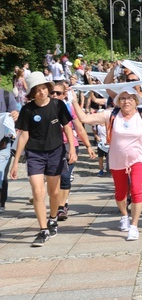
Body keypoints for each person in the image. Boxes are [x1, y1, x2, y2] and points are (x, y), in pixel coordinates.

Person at [72, 84, 142, 240]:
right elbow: (84, 119)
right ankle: (124, 216)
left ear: (136, 101)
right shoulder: (110, 115)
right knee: (120, 192)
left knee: (137, 188)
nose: (126, 101)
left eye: (130, 98)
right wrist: (74, 101)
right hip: (117, 159)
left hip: (139, 157)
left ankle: (134, 226)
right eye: (123, 98)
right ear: (118, 101)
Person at [10, 72, 77, 247]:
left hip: (55, 152)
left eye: (44, 88)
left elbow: (67, 128)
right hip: (35, 154)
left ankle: (53, 219)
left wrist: (72, 149)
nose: (42, 92)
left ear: (48, 88)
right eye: (37, 90)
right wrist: (16, 161)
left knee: (54, 193)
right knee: (38, 191)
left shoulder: (58, 105)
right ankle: (43, 230)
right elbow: (24, 136)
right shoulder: (28, 109)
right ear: (32, 93)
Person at [51, 81, 96, 222]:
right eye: (52, 92)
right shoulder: (44, 108)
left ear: (64, 94)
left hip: (68, 145)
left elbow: (79, 128)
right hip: (50, 147)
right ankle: (57, 203)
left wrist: (88, 146)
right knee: (54, 178)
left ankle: (61, 207)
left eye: (58, 93)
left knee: (65, 176)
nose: (54, 95)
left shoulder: (69, 108)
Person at [0, 75, 19, 213]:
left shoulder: (7, 96)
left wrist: (15, 115)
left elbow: (16, 114)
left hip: (3, 143)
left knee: (1, 173)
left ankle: (1, 201)